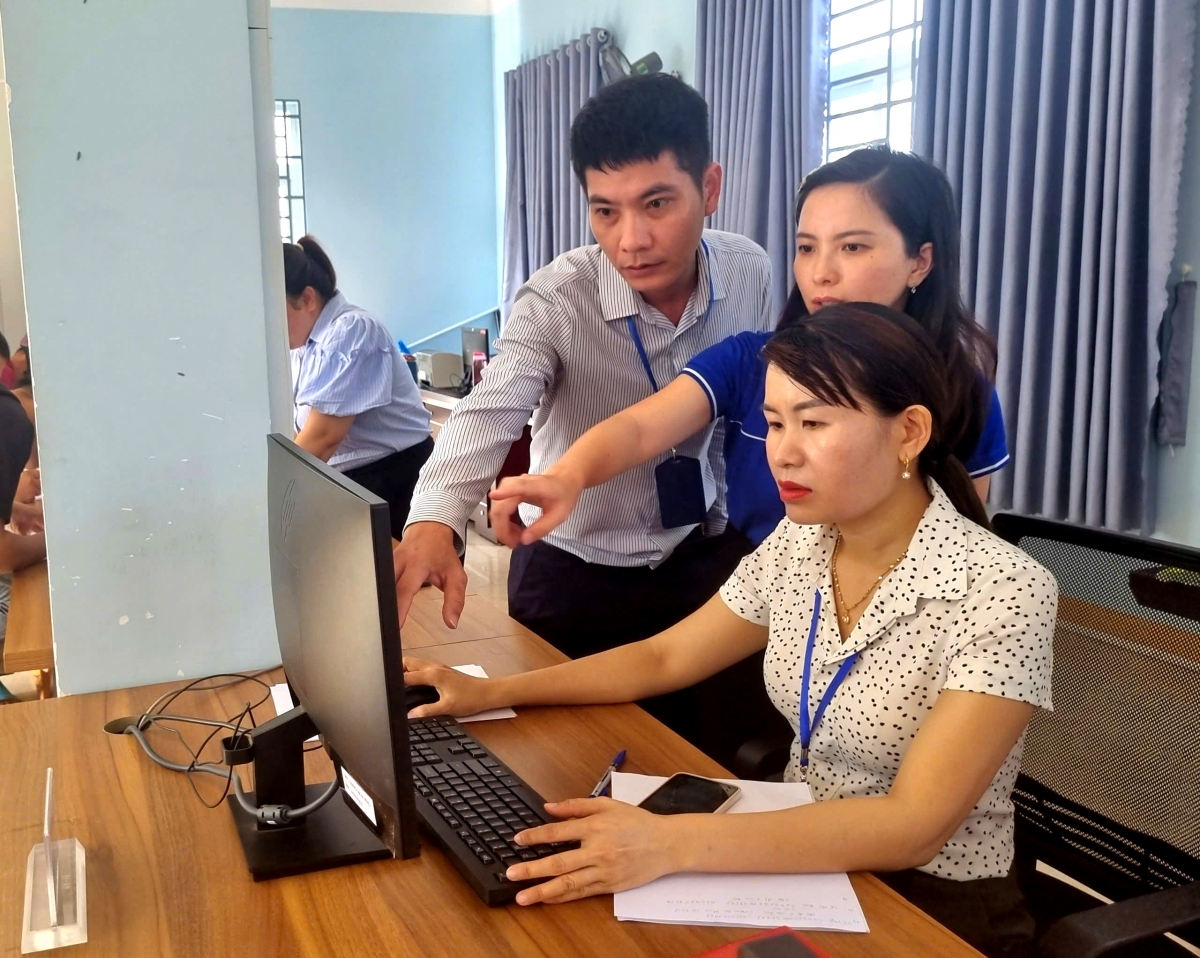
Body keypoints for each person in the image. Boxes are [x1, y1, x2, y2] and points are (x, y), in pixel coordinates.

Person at [403, 304, 1055, 958]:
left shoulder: (1005, 588)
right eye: (773, 423)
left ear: (909, 431)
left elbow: (914, 827)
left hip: (933, 903)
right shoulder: (802, 542)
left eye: (814, 423)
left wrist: (667, 843)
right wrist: (493, 693)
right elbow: (664, 657)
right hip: (800, 853)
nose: (784, 453)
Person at [394, 74, 774, 674]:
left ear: (709, 188)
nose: (632, 240)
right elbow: (488, 411)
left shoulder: (750, 271)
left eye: (657, 204)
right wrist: (434, 520)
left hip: (699, 560)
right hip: (571, 573)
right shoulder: (557, 299)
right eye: (605, 211)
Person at [488, 147, 1007, 558]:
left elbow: (962, 543)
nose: (820, 273)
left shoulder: (961, 392)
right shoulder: (754, 362)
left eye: (852, 247)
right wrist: (567, 477)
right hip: (755, 608)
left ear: (920, 261)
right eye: (806, 247)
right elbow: (641, 428)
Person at [285, 235, 433, 540]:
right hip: (354, 481)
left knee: (398, 572)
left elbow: (323, 437)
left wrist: (275, 494)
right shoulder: (304, 346)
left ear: (308, 299)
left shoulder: (351, 330)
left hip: (395, 481)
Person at [0, 381, 46, 702]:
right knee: (28, 622)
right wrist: (52, 541)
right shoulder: (11, 422)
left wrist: (15, 510)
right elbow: (1, 555)